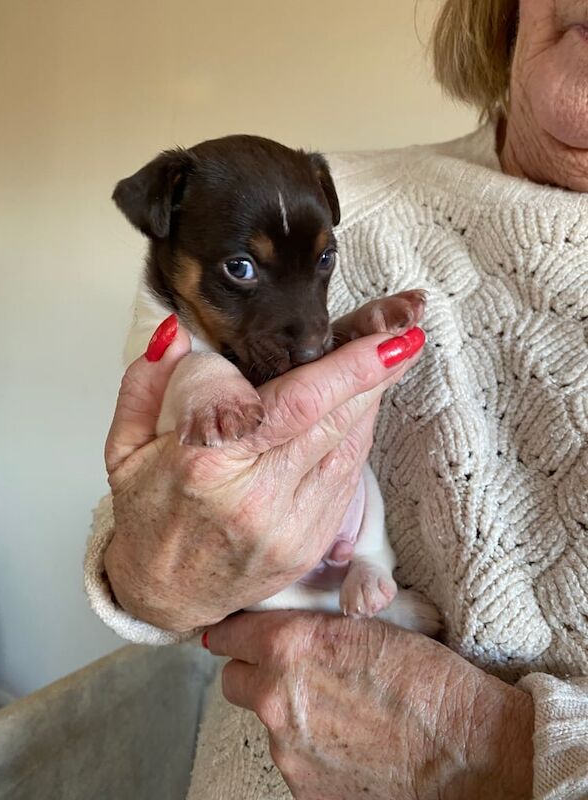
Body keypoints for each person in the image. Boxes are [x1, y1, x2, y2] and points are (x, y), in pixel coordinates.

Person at [85, 0, 588, 797]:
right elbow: (147, 521)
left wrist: (503, 754)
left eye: (320, 272)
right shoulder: (318, 191)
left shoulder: (308, 215)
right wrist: (150, 577)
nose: (311, 333)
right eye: (244, 273)